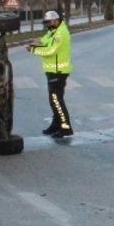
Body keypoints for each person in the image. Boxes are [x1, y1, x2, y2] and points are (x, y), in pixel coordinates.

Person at [28, 10, 73, 138]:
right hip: (52, 71)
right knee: (54, 101)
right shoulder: (53, 32)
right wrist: (35, 42)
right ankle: (56, 125)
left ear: (56, 21)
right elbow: (45, 40)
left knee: (56, 101)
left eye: (49, 22)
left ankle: (65, 127)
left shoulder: (61, 33)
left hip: (58, 72)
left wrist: (33, 49)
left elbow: (51, 50)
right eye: (46, 22)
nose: (47, 24)